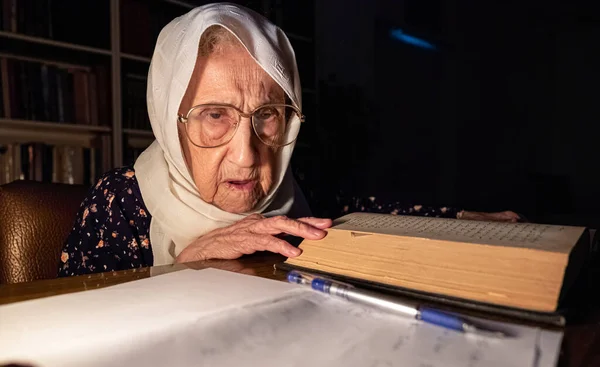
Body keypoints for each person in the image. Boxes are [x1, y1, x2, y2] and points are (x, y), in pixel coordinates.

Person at [58, 3, 519, 277]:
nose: (247, 154)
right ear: (169, 119)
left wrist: (461, 219)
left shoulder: (299, 188)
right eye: (215, 115)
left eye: (268, 116)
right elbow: (68, 332)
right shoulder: (119, 200)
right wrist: (184, 267)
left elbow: (371, 212)